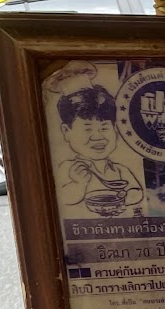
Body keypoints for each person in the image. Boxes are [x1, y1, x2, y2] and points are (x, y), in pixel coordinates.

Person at [55, 84, 142, 217]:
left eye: (104, 128)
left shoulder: (120, 170)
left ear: (115, 130)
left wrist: (125, 198)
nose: (98, 137)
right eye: (87, 129)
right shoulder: (69, 169)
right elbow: (64, 200)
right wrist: (79, 184)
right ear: (66, 131)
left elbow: (137, 192)